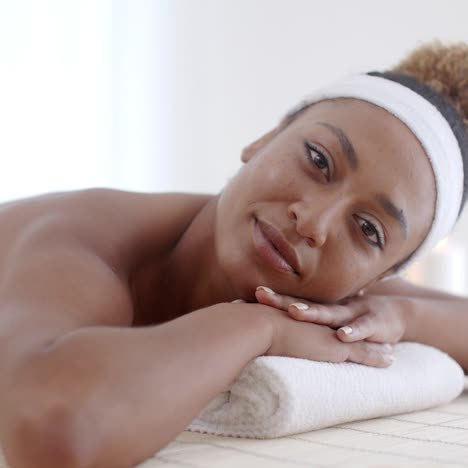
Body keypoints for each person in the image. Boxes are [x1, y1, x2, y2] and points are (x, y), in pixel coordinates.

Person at [0, 41, 467, 468]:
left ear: (376, 278)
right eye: (319, 161)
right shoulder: (82, 240)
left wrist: (399, 315)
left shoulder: (334, 282)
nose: (313, 222)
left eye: (368, 229)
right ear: (262, 140)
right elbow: (51, 429)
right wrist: (256, 326)